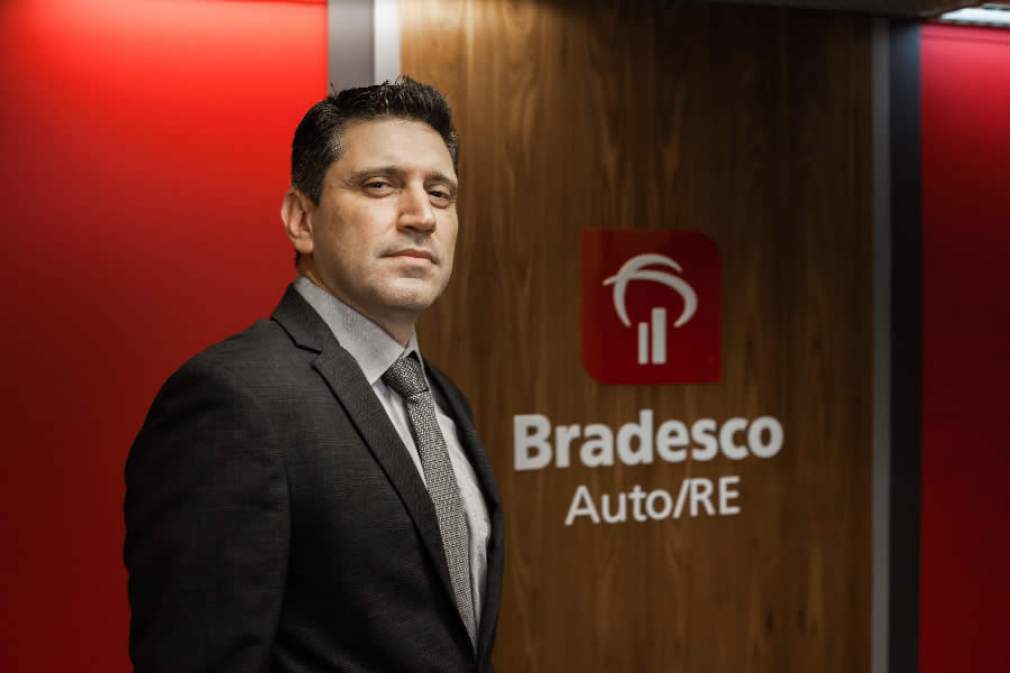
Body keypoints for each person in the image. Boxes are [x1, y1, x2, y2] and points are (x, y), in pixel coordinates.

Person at [124, 77, 503, 673]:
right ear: (302, 219)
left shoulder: (442, 398)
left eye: (440, 193)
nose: (421, 216)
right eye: (379, 185)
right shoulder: (233, 401)